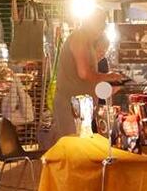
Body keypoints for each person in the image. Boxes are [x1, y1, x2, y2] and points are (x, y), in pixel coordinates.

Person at [49, 8, 125, 143]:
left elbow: (87, 80)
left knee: (81, 146)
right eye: (100, 24)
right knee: (73, 146)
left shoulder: (87, 41)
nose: (102, 28)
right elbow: (84, 74)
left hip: (81, 106)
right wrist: (109, 76)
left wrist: (108, 87)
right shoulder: (79, 39)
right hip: (71, 106)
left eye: (103, 24)